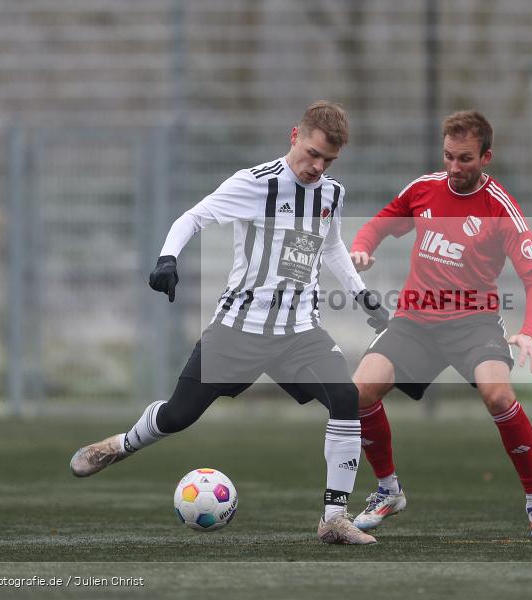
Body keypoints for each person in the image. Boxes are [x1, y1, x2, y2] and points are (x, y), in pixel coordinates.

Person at [69, 101, 388, 545]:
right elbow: (193, 217)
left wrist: (362, 296)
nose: (317, 166)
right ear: (294, 136)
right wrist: (167, 257)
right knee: (178, 416)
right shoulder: (254, 183)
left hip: (299, 330)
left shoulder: (331, 194)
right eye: (312, 153)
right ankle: (119, 446)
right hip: (239, 327)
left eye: (328, 160)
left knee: (345, 398)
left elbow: (331, 247)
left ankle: (334, 517)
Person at [347, 110, 532, 538]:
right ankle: (388, 490)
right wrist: (362, 248)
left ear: (486, 157)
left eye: (464, 159)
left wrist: (529, 334)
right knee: (357, 393)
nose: (454, 168)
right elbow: (381, 223)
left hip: (473, 323)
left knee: (498, 396)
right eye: (448, 157)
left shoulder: (501, 209)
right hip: (415, 319)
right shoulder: (425, 190)